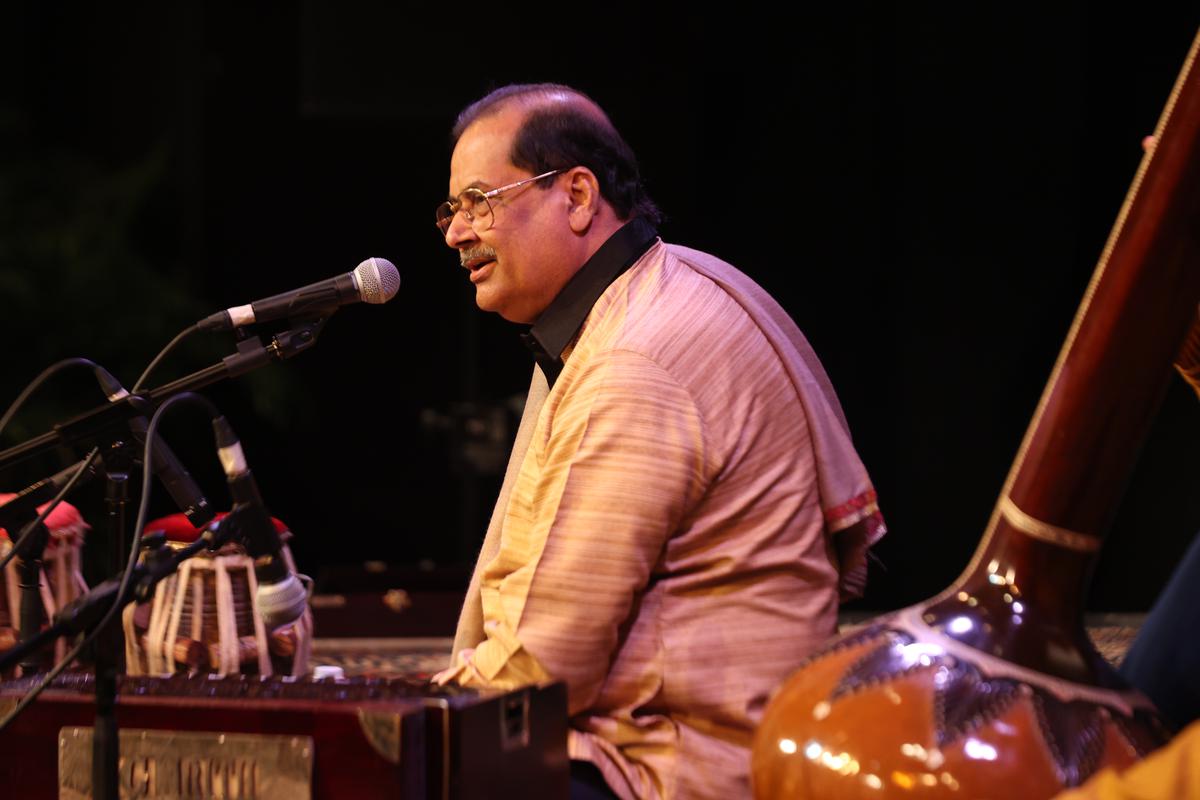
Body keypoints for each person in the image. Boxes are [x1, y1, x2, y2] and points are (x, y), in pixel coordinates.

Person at [434, 83, 885, 800]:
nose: (458, 233)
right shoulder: (685, 284)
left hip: (673, 770)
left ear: (577, 196)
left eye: (480, 201)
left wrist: (389, 707)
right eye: (452, 210)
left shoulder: (634, 356)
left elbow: (546, 667)